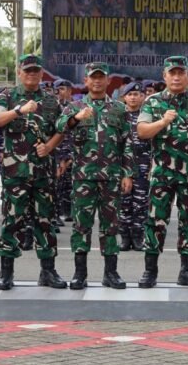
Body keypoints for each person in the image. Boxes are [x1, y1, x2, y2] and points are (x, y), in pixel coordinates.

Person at [137, 55, 188, 288]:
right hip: (162, 174)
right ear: (165, 76)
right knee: (155, 222)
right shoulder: (152, 102)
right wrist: (162, 122)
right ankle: (150, 271)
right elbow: (142, 132)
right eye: (172, 73)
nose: (177, 77)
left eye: (181, 72)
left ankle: (187, 271)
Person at [0, 54, 65, 290]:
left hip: (43, 173)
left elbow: (62, 128)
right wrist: (19, 111)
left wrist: (51, 145)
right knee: (12, 221)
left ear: (41, 74)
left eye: (36, 71)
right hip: (16, 173)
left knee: (45, 221)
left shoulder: (52, 101)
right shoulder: (8, 96)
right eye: (27, 71)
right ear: (19, 72)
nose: (32, 75)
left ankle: (48, 271)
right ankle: (6, 273)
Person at [57, 63, 133, 289]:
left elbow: (126, 142)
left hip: (111, 176)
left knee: (111, 226)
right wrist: (77, 118)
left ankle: (111, 273)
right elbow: (60, 127)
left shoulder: (119, 109)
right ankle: (80, 274)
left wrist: (127, 173)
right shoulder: (76, 106)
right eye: (93, 78)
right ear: (86, 81)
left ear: (109, 81)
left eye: (101, 78)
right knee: (81, 225)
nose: (97, 81)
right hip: (83, 177)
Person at [119, 81, 151, 251]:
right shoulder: (118, 116)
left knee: (140, 203)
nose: (133, 97)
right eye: (130, 94)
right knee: (124, 202)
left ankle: (138, 236)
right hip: (122, 167)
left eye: (137, 94)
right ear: (124, 97)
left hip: (142, 165)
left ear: (143, 97)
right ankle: (124, 237)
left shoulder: (147, 117)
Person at [54, 79, 74, 223]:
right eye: (58, 89)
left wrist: (70, 155)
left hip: (71, 151)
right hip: (55, 152)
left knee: (69, 185)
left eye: (63, 88)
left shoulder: (74, 108)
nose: (60, 92)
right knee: (56, 184)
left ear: (69, 91)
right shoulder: (53, 108)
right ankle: (56, 214)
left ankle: (67, 211)